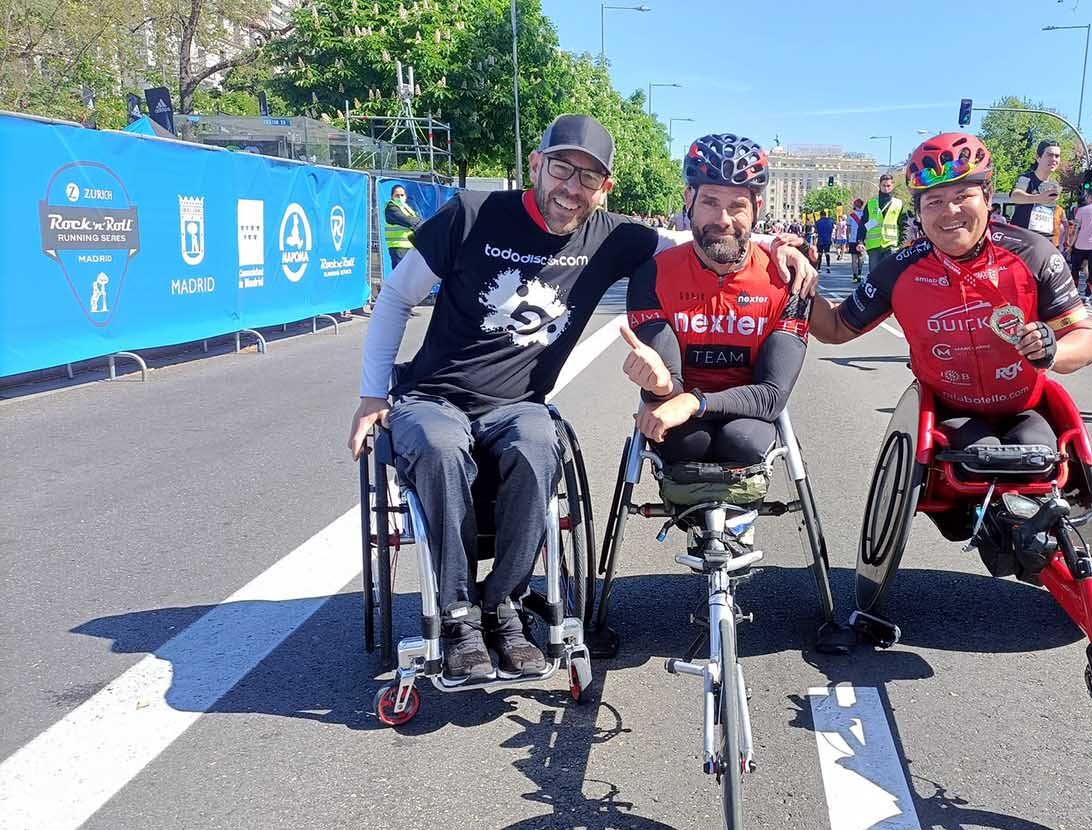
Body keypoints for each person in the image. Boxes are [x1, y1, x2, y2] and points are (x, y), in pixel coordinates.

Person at [347, 115, 815, 682]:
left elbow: (707, 237)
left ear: (604, 188)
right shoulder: (471, 214)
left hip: (517, 403)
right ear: (537, 165)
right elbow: (396, 297)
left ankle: (502, 605)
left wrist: (783, 246)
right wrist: (374, 395)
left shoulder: (613, 238)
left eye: (588, 178)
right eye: (563, 169)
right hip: (433, 396)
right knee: (443, 448)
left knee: (540, 444)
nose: (572, 188)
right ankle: (457, 614)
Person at [808, 132, 1092, 458]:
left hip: (1023, 408)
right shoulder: (900, 269)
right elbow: (834, 327)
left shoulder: (1034, 254)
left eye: (963, 196)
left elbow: (1085, 339)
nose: (949, 211)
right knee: (979, 455)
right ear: (919, 212)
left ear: (988, 197)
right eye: (934, 201)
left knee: (1038, 455)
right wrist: (791, 282)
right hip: (950, 411)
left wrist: (1053, 351)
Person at [619, 133, 809, 472]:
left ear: (757, 210)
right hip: (678, 411)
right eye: (709, 202)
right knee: (687, 442)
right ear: (688, 200)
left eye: (737, 205)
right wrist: (659, 384)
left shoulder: (789, 278)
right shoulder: (653, 275)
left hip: (747, 413)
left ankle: (737, 522)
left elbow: (771, 395)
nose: (723, 219)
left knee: (743, 441)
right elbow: (670, 385)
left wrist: (695, 403)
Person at [1009, 140, 1064, 241]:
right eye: (1049, 155)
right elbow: (1015, 196)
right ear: (1038, 157)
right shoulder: (1025, 178)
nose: (1054, 159)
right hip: (1022, 239)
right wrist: (1038, 198)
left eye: (1057, 156)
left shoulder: (1055, 185)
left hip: (1044, 240)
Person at [855, 174, 907, 272]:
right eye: (884, 185)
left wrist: (902, 244)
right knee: (875, 276)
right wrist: (860, 241)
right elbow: (863, 224)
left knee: (890, 275)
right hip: (874, 246)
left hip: (891, 246)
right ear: (879, 185)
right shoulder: (871, 203)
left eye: (888, 186)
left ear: (892, 186)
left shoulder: (898, 204)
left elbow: (904, 225)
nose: (886, 188)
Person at [383, 185, 421, 269]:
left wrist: (418, 222)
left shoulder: (407, 208)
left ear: (406, 196)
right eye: (397, 195)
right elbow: (408, 221)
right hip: (398, 248)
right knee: (400, 277)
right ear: (392, 196)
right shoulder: (391, 207)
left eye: (402, 195)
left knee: (411, 276)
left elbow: (417, 220)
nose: (400, 197)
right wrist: (419, 223)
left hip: (411, 247)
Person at [846, 198, 866, 282]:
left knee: (854, 259)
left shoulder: (851, 216)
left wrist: (847, 240)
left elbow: (848, 229)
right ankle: (860, 273)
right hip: (862, 239)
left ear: (855, 205)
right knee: (861, 257)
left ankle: (854, 276)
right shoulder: (865, 215)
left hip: (853, 239)